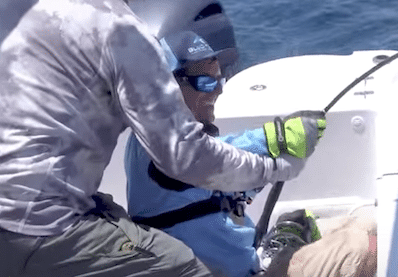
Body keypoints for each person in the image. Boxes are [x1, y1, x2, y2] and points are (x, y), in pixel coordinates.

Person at [0, 0, 324, 276]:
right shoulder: (118, 27)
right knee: (185, 267)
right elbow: (185, 158)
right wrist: (278, 169)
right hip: (39, 229)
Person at [126, 30, 377, 277]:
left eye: (219, 78)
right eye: (206, 82)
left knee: (369, 221)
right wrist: (277, 138)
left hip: (252, 258)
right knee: (363, 249)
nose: (219, 90)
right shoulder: (154, 146)